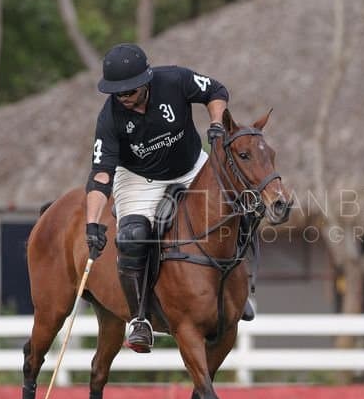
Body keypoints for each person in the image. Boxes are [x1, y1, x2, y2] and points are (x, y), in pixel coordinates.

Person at [85, 42, 249, 353]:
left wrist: (216, 124)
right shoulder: (109, 118)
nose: (124, 98)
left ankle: (237, 294)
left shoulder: (174, 80)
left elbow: (215, 90)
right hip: (139, 178)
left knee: (240, 208)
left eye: (129, 92)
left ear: (145, 82)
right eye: (117, 93)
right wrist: (92, 224)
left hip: (190, 166)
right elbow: (101, 174)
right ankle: (140, 319)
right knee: (133, 237)